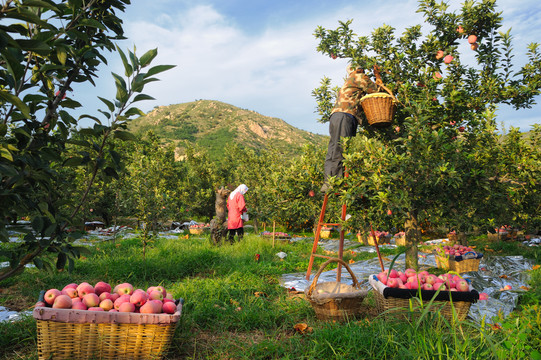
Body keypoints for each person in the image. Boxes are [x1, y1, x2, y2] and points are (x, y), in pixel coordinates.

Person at [321, 64, 382, 193]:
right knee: (341, 148)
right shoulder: (358, 76)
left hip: (336, 116)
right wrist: (377, 75)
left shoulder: (349, 80)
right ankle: (336, 183)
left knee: (333, 148)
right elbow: (377, 91)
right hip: (345, 115)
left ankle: (329, 181)